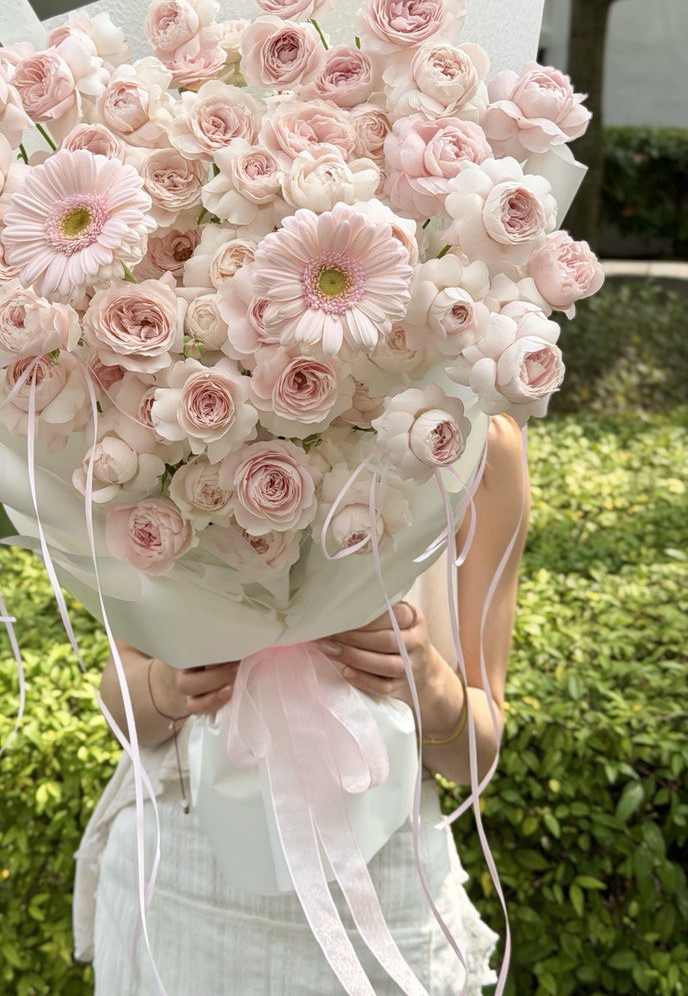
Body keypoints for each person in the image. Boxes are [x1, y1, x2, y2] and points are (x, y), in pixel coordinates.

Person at [74, 412, 531, 995]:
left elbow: (478, 755)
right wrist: (170, 684)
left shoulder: (476, 442)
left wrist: (426, 678)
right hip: (179, 877)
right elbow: (121, 701)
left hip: (385, 881)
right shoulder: (182, 412)